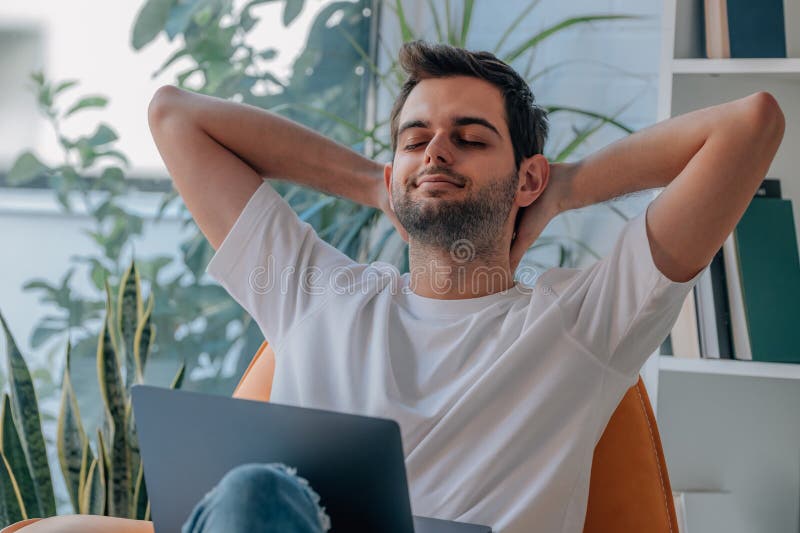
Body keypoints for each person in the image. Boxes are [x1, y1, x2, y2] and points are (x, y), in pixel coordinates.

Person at [19, 40, 783, 533]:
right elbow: (174, 116)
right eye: (416, 138)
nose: (437, 150)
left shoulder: (582, 320)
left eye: (471, 137)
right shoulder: (317, 291)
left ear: (525, 175)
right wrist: (375, 181)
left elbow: (750, 124)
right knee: (256, 497)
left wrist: (562, 188)